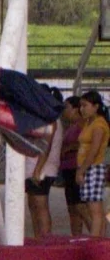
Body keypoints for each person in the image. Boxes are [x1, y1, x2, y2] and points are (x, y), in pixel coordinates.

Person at [24, 95, 63, 240]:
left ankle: (45, 240)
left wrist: (38, 170)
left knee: (40, 207)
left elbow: (46, 146)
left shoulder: (50, 119)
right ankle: (38, 239)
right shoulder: (45, 118)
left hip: (41, 170)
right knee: (34, 206)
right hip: (34, 168)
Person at [76, 91, 108, 237]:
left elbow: (93, 151)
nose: (82, 109)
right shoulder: (89, 123)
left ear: (96, 106)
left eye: (85, 106)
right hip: (89, 167)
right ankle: (99, 239)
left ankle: (95, 241)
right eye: (81, 106)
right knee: (93, 207)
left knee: (94, 208)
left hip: (93, 168)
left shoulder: (99, 125)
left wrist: (81, 170)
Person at [60, 96, 86, 235]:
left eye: (67, 107)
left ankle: (93, 235)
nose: (64, 111)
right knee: (72, 207)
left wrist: (68, 148)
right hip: (67, 168)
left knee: (80, 206)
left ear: (76, 109)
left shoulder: (82, 124)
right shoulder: (71, 126)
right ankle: (76, 236)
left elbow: (85, 142)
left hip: (76, 166)